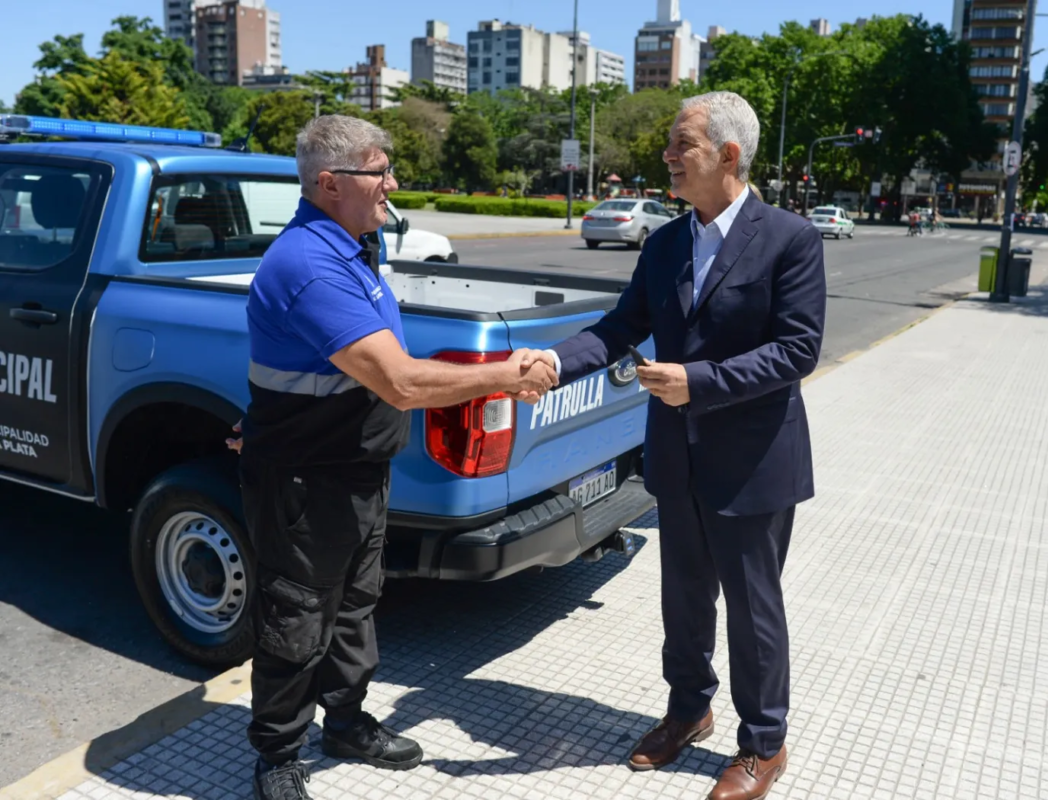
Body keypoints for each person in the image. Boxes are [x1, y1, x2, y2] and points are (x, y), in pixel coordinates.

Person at [228, 114, 557, 800]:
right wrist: (505, 375)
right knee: (297, 617)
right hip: (307, 481)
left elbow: (327, 364)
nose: (393, 183)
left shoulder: (354, 245)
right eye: (379, 171)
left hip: (356, 468)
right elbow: (400, 382)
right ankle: (277, 756)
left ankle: (346, 723)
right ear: (330, 183)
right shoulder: (310, 264)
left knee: (354, 605)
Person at [519, 91, 826, 800]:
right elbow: (620, 327)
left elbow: (797, 350)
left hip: (752, 462)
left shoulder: (790, 239)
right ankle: (689, 709)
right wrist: (554, 362)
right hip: (676, 457)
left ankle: (764, 744)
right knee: (684, 598)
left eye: (681, 144)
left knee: (753, 608)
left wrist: (698, 381)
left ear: (728, 153)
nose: (667, 156)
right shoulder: (663, 243)